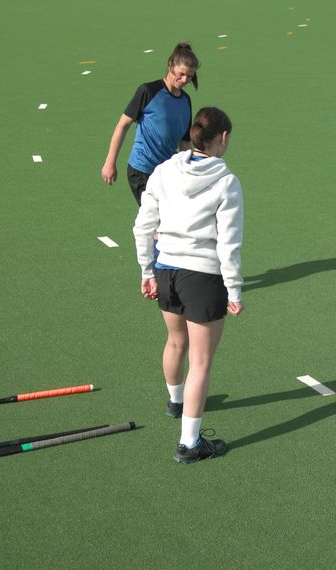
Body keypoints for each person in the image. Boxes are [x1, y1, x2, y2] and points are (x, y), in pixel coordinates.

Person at [133, 107, 243, 464]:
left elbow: (142, 225)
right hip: (203, 277)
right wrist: (235, 289)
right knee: (201, 363)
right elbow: (228, 243)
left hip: (167, 272)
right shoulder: (226, 182)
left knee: (175, 341)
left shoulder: (164, 170)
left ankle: (175, 401)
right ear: (222, 137)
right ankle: (190, 444)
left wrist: (147, 271)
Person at [103, 43, 200, 205]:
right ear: (170, 65)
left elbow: (184, 143)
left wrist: (190, 172)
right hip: (142, 170)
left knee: (167, 222)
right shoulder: (148, 92)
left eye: (189, 77)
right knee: (155, 220)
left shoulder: (186, 101)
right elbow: (123, 125)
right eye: (181, 74)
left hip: (168, 173)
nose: (184, 80)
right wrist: (110, 162)